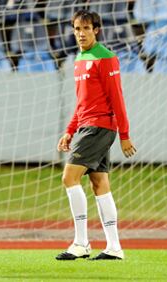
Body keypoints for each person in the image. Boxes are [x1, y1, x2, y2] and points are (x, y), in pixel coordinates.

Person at [55, 10, 137, 261]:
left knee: (69, 177)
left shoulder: (106, 58)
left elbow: (117, 99)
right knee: (99, 183)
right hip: (86, 126)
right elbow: (81, 103)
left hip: (99, 127)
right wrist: (69, 131)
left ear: (96, 30)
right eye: (77, 29)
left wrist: (124, 134)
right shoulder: (80, 58)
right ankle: (114, 247)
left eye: (86, 28)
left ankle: (81, 242)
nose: (81, 33)